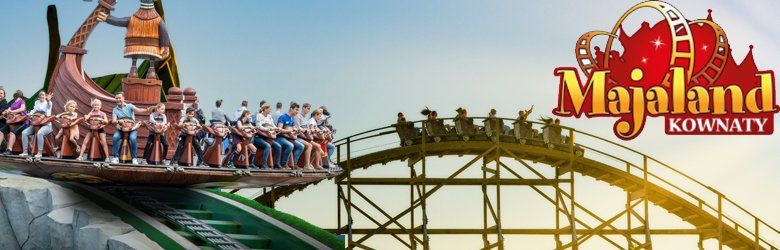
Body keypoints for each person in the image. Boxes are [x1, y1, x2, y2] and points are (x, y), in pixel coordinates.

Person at [110, 92, 149, 164]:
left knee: (132, 138)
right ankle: (116, 157)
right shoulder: (115, 109)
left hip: (132, 128)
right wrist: (118, 121)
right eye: (116, 98)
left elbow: (139, 110)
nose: (118, 99)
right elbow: (114, 121)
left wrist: (147, 110)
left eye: (119, 98)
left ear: (123, 98)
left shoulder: (129, 106)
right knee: (115, 137)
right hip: (121, 129)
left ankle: (134, 158)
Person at [20, 92, 54, 157]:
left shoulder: (48, 102)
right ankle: (25, 151)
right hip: (36, 124)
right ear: (39, 97)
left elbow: (49, 107)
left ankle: (39, 153)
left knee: (39, 133)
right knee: (24, 133)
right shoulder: (37, 102)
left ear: (46, 96)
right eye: (40, 95)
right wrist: (30, 114)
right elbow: (34, 110)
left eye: (43, 95)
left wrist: (49, 100)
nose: (41, 96)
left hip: (46, 125)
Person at [276, 102, 304, 169]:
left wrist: (297, 131)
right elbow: (279, 130)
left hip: (289, 138)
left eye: (298, 110)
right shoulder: (283, 117)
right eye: (296, 110)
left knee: (301, 146)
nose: (297, 112)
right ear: (291, 109)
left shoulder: (292, 119)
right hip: (280, 137)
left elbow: (293, 129)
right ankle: (284, 163)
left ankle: (294, 164)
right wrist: (288, 131)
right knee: (290, 145)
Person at [254, 103, 282, 169]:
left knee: (278, 146)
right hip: (259, 137)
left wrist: (277, 128)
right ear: (265, 109)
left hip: (268, 138)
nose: (270, 110)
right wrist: (267, 129)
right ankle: (264, 165)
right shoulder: (259, 115)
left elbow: (273, 125)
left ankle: (276, 164)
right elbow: (258, 126)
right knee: (268, 146)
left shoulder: (269, 116)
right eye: (269, 109)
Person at [3, 90, 27, 154]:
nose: (14, 93)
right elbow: (9, 109)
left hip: (23, 122)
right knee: (1, 131)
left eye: (15, 92)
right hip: (14, 122)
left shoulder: (22, 101)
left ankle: (9, 150)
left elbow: (22, 109)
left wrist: (12, 111)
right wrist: (7, 111)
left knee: (12, 132)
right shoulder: (13, 102)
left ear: (18, 94)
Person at [295, 103, 316, 169]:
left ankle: (310, 163)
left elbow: (307, 129)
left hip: (305, 137)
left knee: (317, 147)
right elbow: (298, 129)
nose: (308, 110)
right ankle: (306, 165)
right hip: (298, 137)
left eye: (309, 109)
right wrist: (306, 136)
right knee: (309, 145)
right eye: (307, 108)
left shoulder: (305, 119)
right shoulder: (298, 116)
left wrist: (309, 135)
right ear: (303, 108)